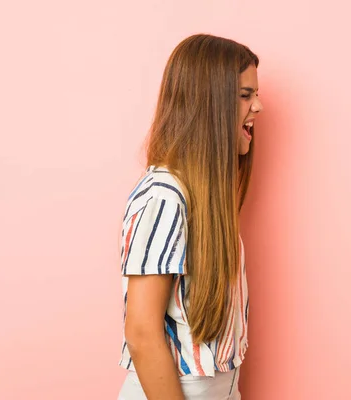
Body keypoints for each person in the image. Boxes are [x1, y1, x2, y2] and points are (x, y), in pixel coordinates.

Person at [117, 34, 263, 400]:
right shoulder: (165, 196)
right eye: (245, 95)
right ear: (209, 103)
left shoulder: (203, 196)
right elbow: (142, 332)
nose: (258, 107)